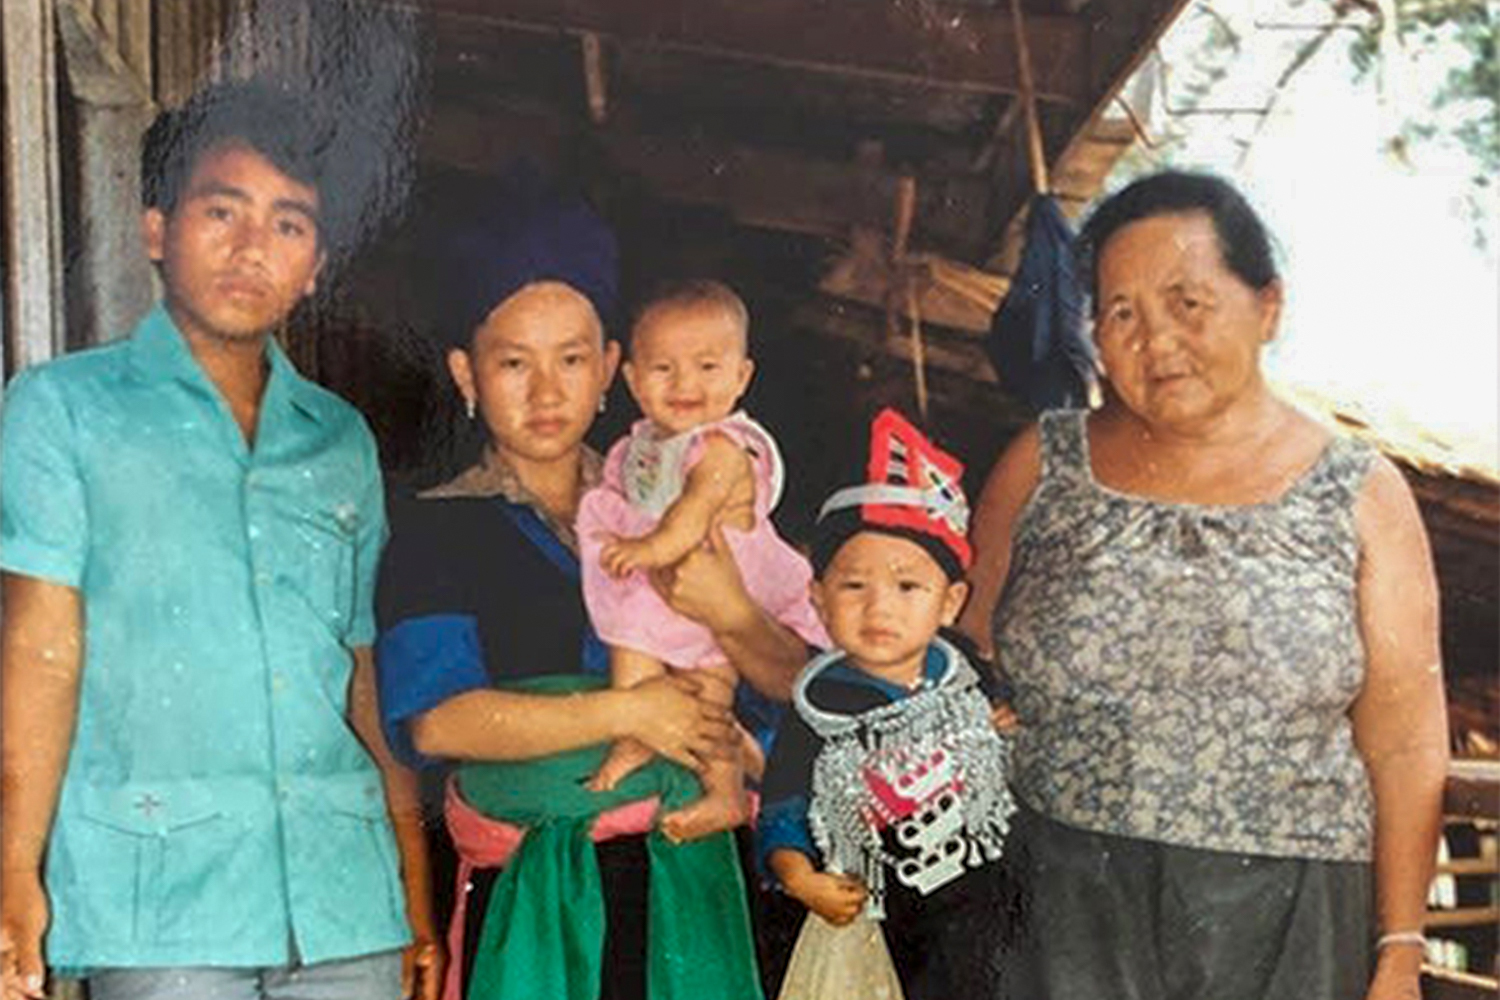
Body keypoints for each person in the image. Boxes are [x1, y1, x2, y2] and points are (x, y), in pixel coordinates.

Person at [958, 170, 1449, 1000]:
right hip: (1055, 906)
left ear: (1268, 306)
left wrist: (1399, 947)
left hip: (1285, 921)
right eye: (1122, 313)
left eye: (1188, 303)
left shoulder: (1360, 492)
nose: (1156, 341)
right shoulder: (1042, 464)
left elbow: (1403, 739)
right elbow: (958, 663)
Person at [0, 81, 440, 1000]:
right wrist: (13, 869)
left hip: (342, 895)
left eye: (289, 224)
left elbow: (358, 666)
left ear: (316, 262)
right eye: (222, 210)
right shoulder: (64, 410)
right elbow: (41, 649)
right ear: (157, 229)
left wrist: (410, 880)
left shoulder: (339, 437)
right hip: (158, 899)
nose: (252, 249)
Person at [373, 181, 809, 1000]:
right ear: (466, 373)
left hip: (687, 878)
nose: (545, 391)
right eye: (512, 362)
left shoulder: (679, 498)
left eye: (571, 358)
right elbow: (437, 721)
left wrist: (729, 612)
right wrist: (629, 713)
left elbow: (799, 685)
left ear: (614, 368)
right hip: (534, 896)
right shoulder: (438, 531)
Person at [758, 408, 1019, 1000]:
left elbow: (997, 728)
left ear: (950, 602)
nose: (880, 609)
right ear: (818, 599)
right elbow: (784, 806)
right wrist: (801, 878)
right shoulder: (821, 709)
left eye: (908, 587)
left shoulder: (963, 673)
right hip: (879, 918)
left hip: (982, 901)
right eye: (854, 586)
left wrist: (999, 724)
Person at [577, 279, 828, 842]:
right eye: (664, 369)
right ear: (634, 381)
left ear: (741, 377)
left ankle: (725, 792)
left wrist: (646, 551)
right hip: (665, 585)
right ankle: (636, 728)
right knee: (631, 645)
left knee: (710, 691)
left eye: (708, 367)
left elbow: (690, 514)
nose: (686, 383)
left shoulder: (723, 448)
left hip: (721, 578)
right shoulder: (638, 445)